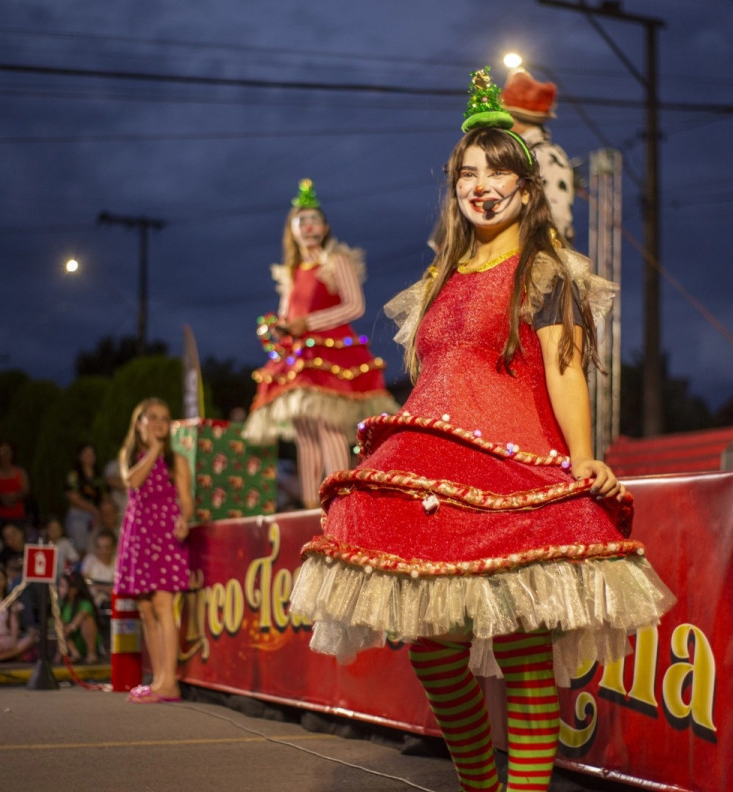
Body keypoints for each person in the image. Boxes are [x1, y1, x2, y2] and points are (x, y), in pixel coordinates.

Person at [289, 69, 675, 792]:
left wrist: (585, 459)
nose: (480, 182)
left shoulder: (547, 270)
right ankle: (479, 783)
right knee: (435, 649)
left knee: (526, 656)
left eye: (497, 169)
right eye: (467, 171)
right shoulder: (441, 275)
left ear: (526, 190)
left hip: (515, 470)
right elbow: (433, 374)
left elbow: (564, 368)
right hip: (434, 468)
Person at [241, 178, 399, 509]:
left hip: (330, 352)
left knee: (329, 427)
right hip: (297, 357)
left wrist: (308, 323)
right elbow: (287, 314)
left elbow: (355, 305)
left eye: (315, 220)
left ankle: (339, 503)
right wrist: (278, 330)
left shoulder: (336, 261)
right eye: (302, 220)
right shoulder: (291, 271)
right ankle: (311, 508)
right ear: (293, 228)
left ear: (325, 227)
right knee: (305, 432)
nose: (309, 226)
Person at [115, 397, 193, 704]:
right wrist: (153, 451)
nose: (160, 423)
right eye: (153, 418)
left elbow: (186, 499)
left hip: (164, 535)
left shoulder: (178, 460)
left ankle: (169, 682)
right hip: (137, 535)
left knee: (162, 605)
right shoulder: (130, 454)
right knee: (146, 609)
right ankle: (158, 679)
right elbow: (133, 480)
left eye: (164, 418)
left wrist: (185, 519)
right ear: (140, 423)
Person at [502, 68, 576, 246]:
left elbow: (558, 219)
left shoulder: (546, 155)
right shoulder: (519, 154)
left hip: (534, 255)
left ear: (515, 119)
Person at [64, 443, 104, 555]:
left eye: (92, 454)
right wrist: (94, 511)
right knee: (80, 549)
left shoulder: (98, 475)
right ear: (80, 456)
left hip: (97, 516)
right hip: (79, 515)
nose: (90, 456)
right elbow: (72, 497)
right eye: (86, 454)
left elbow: (104, 495)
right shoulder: (75, 475)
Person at [57, 570, 100, 664]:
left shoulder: (85, 604)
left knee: (87, 620)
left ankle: (91, 654)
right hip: (70, 643)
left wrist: (70, 628)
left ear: (74, 590)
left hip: (84, 639)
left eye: (63, 586)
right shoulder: (61, 605)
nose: (59, 589)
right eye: (59, 585)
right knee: (59, 625)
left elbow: (78, 619)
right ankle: (75, 654)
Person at [0, 441, 30, 530]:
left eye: (7, 451)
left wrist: (14, 496)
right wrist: (1, 498)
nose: (4, 454)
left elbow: (26, 491)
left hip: (17, 516)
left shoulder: (20, 472)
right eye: (2, 451)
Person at [80, 528, 117, 610]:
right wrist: (105, 588)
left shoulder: (118, 562)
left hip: (114, 605)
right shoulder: (89, 560)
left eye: (107, 547)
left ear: (113, 547)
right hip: (92, 605)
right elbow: (83, 581)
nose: (103, 551)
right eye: (100, 547)